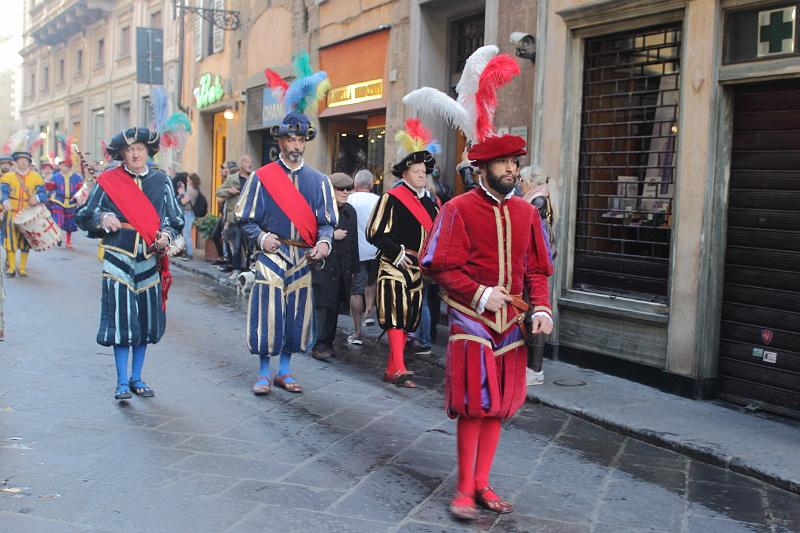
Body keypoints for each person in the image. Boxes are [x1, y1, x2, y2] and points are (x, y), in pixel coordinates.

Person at [421, 134, 554, 520]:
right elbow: (439, 266)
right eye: (503, 162)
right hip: (470, 319)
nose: (512, 168)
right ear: (482, 169)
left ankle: (482, 482)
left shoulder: (529, 213)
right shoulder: (457, 209)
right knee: (473, 406)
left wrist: (542, 307)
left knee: (497, 408)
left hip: (512, 323)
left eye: (514, 161)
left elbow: (539, 270)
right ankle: (464, 488)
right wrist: (480, 294)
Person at [75, 127, 184, 400]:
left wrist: (166, 237)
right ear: (122, 153)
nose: (135, 153)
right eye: (130, 149)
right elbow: (86, 215)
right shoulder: (109, 180)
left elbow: (174, 219)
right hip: (117, 255)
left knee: (146, 320)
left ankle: (138, 377)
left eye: (140, 149)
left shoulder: (161, 181)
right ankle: (122, 381)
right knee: (121, 318)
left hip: (149, 257)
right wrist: (104, 219)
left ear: (148, 151)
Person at [236, 111, 335, 395]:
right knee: (267, 312)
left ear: (306, 142)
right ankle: (264, 373)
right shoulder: (261, 178)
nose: (295, 145)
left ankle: (285, 371)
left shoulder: (319, 181)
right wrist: (262, 237)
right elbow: (245, 218)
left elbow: (327, 223)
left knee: (297, 315)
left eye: (300, 139)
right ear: (280, 141)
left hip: (303, 257)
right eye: (290, 139)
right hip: (272, 253)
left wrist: (324, 243)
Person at [367, 119, 439, 388]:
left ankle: (392, 368)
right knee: (395, 314)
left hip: (418, 268)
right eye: (418, 170)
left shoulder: (431, 204)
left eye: (424, 171)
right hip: (394, 264)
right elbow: (374, 232)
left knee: (409, 318)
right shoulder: (392, 198)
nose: (423, 175)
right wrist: (397, 253)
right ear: (405, 173)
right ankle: (399, 368)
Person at [311, 172, 358, 361]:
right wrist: (332, 236)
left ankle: (328, 342)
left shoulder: (350, 211)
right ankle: (318, 344)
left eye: (348, 189)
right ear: (332, 190)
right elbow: (310, 235)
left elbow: (354, 242)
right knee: (323, 306)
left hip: (342, 268)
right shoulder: (320, 209)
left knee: (335, 306)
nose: (345, 192)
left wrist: (354, 269)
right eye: (341, 189)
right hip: (324, 266)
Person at [519, 166, 558, 386]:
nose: (520, 184)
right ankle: (531, 367)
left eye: (523, 180)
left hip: (534, 265)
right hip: (533, 263)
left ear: (531, 181)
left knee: (535, 315)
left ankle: (535, 370)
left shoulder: (537, 201)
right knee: (532, 313)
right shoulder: (538, 198)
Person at [346, 169, 380, 344]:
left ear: (355, 184)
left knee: (356, 290)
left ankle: (358, 331)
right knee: (371, 281)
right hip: (375, 250)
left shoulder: (350, 200)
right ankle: (369, 312)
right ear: (372, 184)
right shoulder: (379, 201)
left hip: (357, 251)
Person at [0, 151, 47, 277]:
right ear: (15, 162)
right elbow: (3, 192)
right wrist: (5, 201)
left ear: (29, 162)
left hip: (28, 213)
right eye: (20, 160)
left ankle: (22, 268)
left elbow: (43, 194)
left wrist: (36, 198)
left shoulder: (36, 177)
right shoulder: (8, 176)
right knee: (10, 239)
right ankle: (11, 267)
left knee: (26, 240)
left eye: (25, 160)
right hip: (12, 212)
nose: (23, 162)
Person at [217, 156, 251, 279]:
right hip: (235, 217)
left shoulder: (253, 178)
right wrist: (229, 191)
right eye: (247, 162)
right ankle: (236, 269)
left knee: (249, 246)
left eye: (250, 162)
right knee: (236, 245)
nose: (250, 164)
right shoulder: (232, 178)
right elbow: (219, 192)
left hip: (249, 218)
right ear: (241, 164)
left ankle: (247, 271)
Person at [50, 158, 84, 249]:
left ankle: (68, 241)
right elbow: (51, 188)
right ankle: (58, 237)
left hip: (71, 202)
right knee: (58, 220)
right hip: (58, 201)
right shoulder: (55, 177)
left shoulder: (76, 177)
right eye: (61, 165)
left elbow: (80, 190)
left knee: (70, 223)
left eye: (64, 166)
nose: (62, 167)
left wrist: (79, 197)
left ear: (68, 167)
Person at [210, 162, 230, 265]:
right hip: (223, 213)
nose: (221, 171)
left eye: (223, 168)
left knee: (225, 237)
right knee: (216, 235)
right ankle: (222, 258)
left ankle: (226, 260)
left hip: (228, 214)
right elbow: (219, 197)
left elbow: (220, 198)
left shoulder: (230, 181)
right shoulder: (224, 182)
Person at [177, 173, 200, 260]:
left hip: (188, 213)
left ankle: (189, 254)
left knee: (187, 234)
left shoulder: (192, 191)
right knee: (185, 233)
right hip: (186, 213)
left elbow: (183, 201)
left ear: (192, 181)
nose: (187, 181)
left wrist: (182, 193)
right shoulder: (190, 190)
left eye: (188, 180)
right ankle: (186, 252)